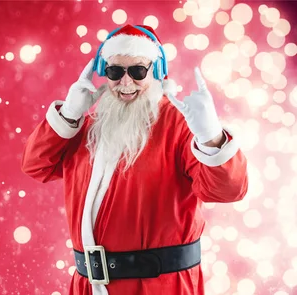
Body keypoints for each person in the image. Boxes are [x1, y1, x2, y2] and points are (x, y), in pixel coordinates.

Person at [21, 24, 248, 295]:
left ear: (157, 71)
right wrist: (68, 114)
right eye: (115, 71)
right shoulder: (89, 127)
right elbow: (36, 165)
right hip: (87, 287)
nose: (125, 83)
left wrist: (211, 137)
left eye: (138, 71)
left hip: (160, 287)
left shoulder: (181, 126)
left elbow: (228, 191)